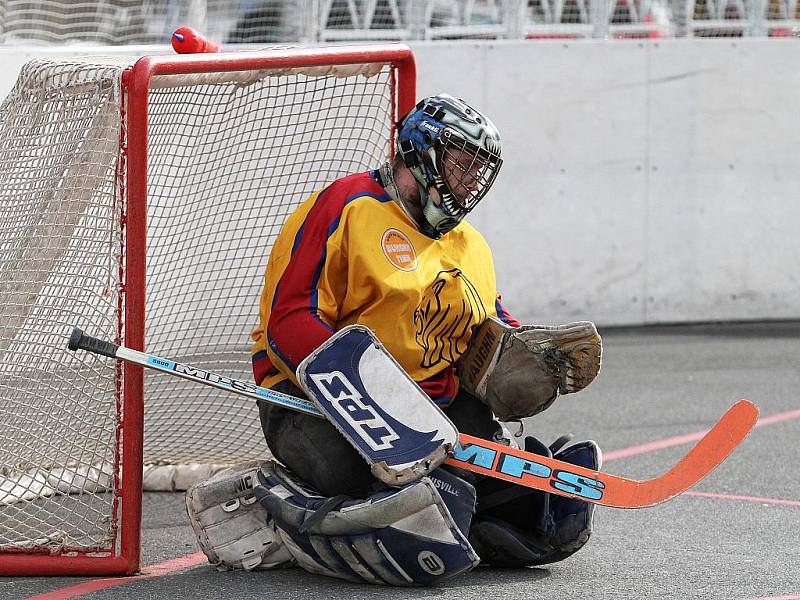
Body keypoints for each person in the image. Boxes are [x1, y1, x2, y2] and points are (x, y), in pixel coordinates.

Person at [186, 94, 602, 584]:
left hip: (432, 410)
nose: (472, 182)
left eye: (479, 172)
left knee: (488, 484)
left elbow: (489, 326)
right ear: (422, 154)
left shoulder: (470, 245)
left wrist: (521, 357)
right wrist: (374, 398)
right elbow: (289, 319)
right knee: (361, 475)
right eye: (462, 164)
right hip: (316, 403)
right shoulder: (348, 206)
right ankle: (275, 507)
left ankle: (462, 511)